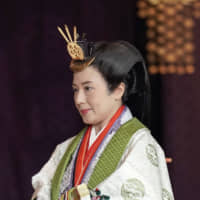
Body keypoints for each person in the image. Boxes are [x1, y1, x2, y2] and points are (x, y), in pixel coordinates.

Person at [31, 25, 174, 200]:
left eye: (88, 88)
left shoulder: (141, 145)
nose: (79, 99)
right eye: (75, 90)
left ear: (118, 91)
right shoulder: (65, 149)